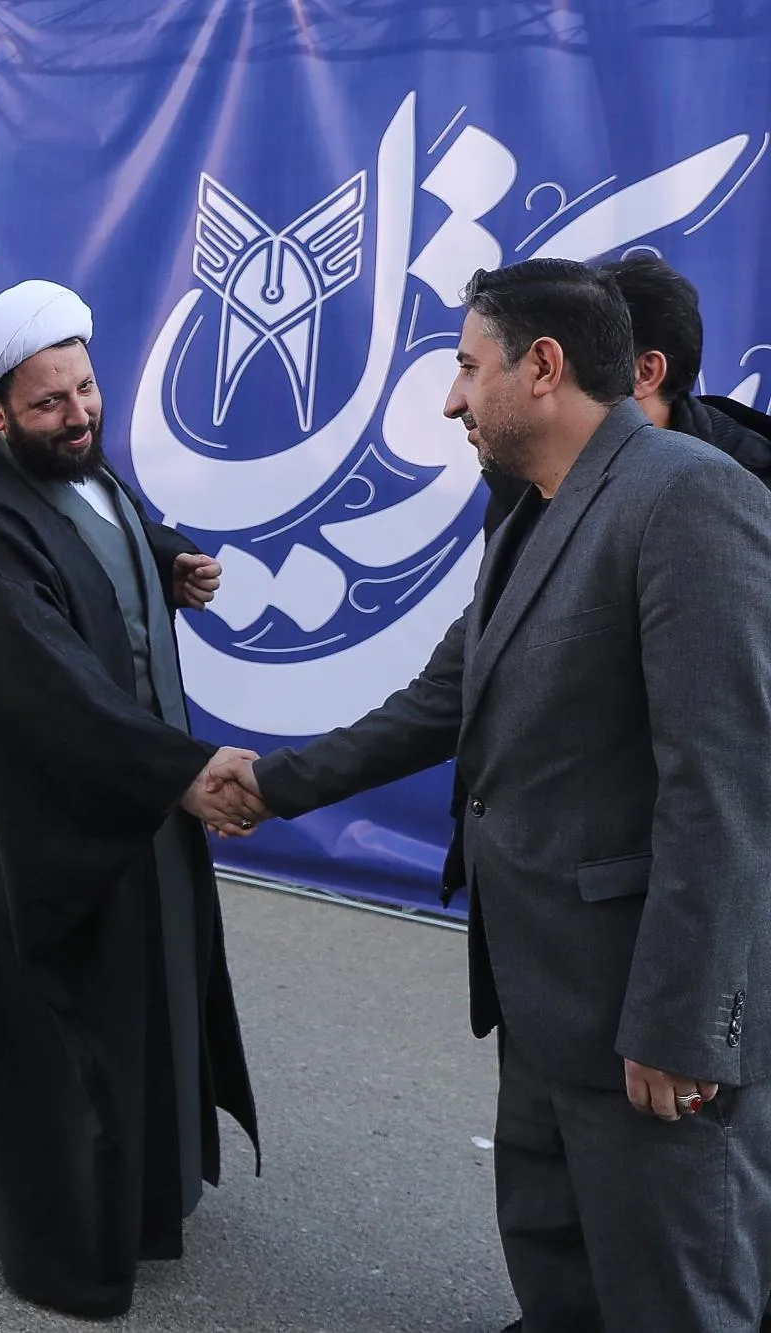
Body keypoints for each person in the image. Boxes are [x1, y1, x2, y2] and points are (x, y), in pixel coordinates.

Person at [211, 258, 771, 1332]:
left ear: (542, 367)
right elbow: (444, 699)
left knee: (676, 1302)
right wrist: (273, 783)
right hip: (540, 1008)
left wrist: (685, 1024)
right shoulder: (529, 510)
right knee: (558, 1290)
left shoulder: (690, 499)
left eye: (469, 368)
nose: (450, 398)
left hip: (643, 1031)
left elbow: (725, 791)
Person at [0, 280, 259, 1319]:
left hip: (134, 796)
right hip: (53, 824)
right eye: (50, 401)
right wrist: (176, 771)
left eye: (86, 389)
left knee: (157, 993)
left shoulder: (70, 461)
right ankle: (77, 1237)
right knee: (78, 1030)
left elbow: (109, 527)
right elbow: (43, 681)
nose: (78, 415)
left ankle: (150, 1192)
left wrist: (168, 560)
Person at [482, 253, 771, 531]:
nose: (549, 378)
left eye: (570, 360)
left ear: (645, 373)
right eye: (546, 362)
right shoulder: (525, 477)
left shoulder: (746, 484)